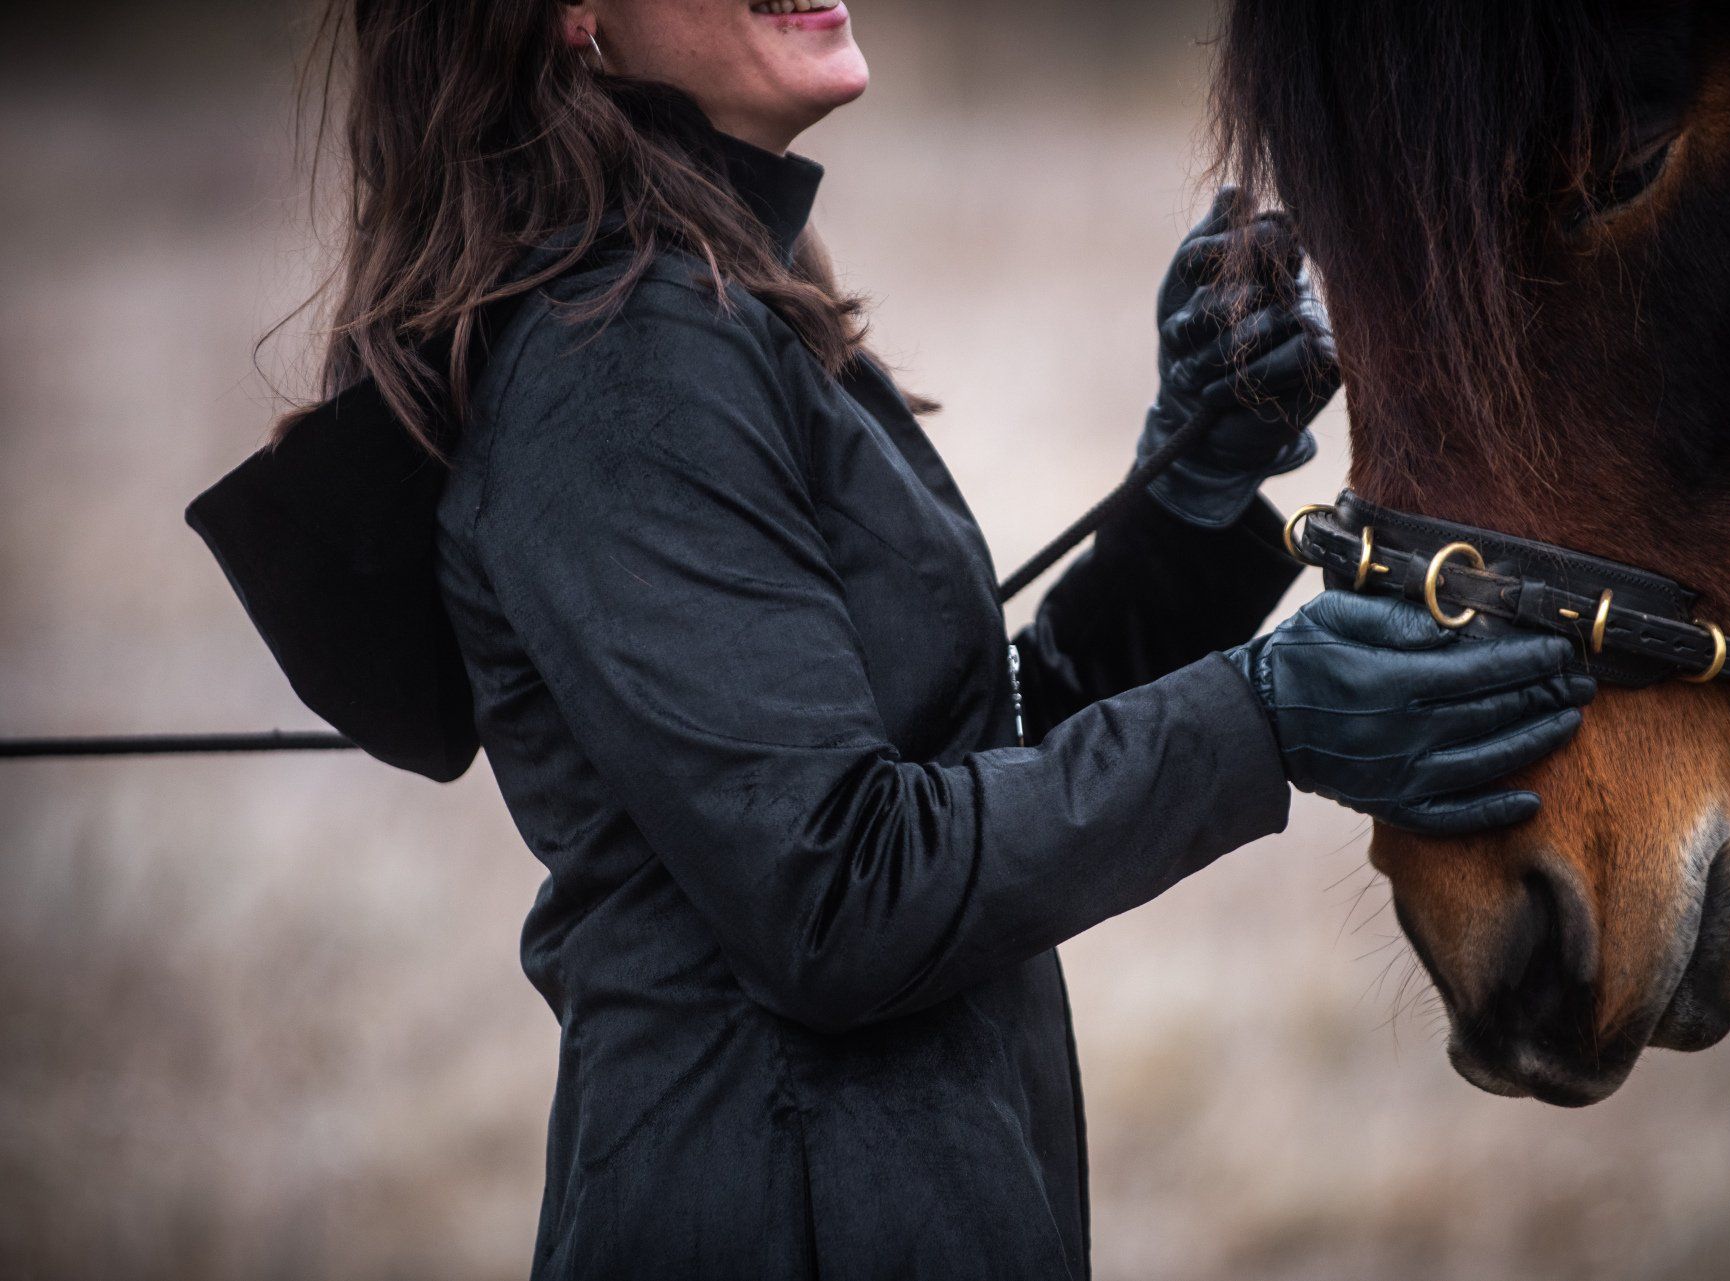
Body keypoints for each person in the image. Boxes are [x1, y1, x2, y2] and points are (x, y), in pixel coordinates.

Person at [187, 1, 1594, 1275]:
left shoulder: (716, 292)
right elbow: (838, 895)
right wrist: (1266, 718)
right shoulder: (613, 358)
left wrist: (1190, 491)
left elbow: (969, 758)